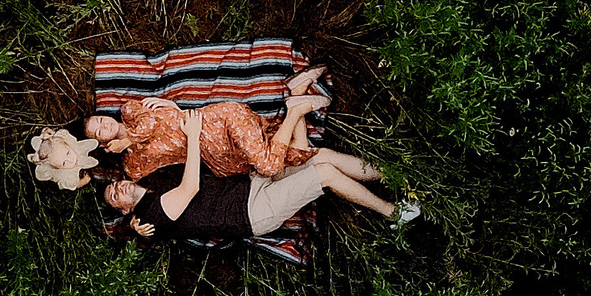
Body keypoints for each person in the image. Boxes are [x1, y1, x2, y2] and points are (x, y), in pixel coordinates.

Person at [103, 106, 420, 239]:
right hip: (253, 213)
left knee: (318, 155)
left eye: (115, 185)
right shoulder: (151, 215)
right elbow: (189, 188)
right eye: (114, 197)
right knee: (323, 173)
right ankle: (392, 212)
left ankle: (393, 175)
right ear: (124, 208)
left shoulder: (154, 186)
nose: (117, 189)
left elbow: (167, 150)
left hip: (250, 184)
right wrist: (195, 135)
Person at [85, 65, 328, 178]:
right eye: (98, 132)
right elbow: (154, 182)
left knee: (269, 166)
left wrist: (128, 137)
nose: (103, 125)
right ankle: (296, 92)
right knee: (292, 155)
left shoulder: (131, 111)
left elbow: (148, 126)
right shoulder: (133, 164)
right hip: (220, 157)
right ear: (101, 144)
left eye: (98, 120)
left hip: (221, 122)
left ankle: (294, 111)